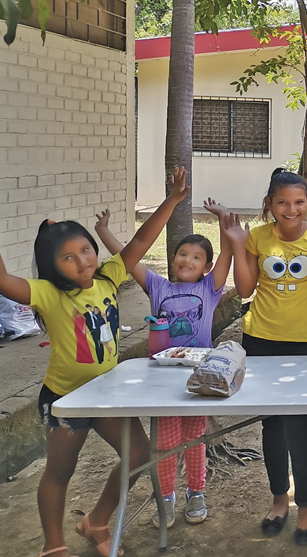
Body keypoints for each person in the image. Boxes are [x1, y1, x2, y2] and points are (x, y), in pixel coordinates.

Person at [0, 167, 188, 557]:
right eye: (68, 258)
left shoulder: (108, 277)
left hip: (108, 393)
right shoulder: (47, 294)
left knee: (139, 457)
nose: (82, 260)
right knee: (59, 470)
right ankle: (54, 545)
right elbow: (5, 281)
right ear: (53, 268)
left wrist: (170, 201)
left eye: (85, 249)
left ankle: (97, 521)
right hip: (67, 399)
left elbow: (139, 240)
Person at [94, 199, 233, 529]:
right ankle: (165, 496)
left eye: (197, 257)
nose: (188, 260)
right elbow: (128, 259)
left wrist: (225, 226)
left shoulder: (209, 288)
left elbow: (226, 259)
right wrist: (103, 232)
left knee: (195, 440)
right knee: (166, 442)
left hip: (199, 379)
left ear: (206, 265)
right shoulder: (158, 286)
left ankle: (196, 492)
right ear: (172, 259)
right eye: (183, 254)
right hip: (161, 378)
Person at [223, 168, 307, 545]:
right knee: (271, 425)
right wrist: (236, 242)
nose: (291, 208)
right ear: (269, 205)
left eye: (299, 201)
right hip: (260, 339)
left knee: (298, 425)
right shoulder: (257, 237)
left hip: (302, 343)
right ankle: (279, 498)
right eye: (282, 201)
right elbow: (246, 287)